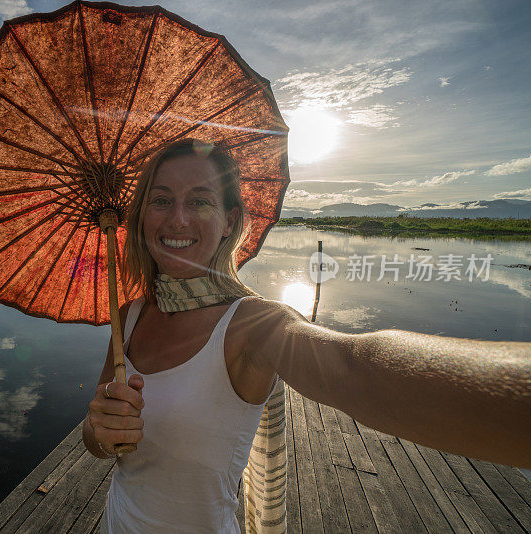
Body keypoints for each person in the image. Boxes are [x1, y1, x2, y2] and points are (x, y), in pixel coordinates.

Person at [82, 138, 531, 533]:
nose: (176, 218)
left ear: (229, 219)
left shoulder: (256, 324)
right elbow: (98, 445)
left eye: (199, 201)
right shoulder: (130, 316)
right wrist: (99, 430)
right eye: (161, 200)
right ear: (141, 217)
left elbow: (352, 368)